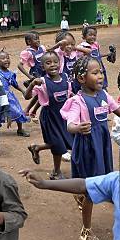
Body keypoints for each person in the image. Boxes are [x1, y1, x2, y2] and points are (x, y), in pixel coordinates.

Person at [60, 56, 120, 240]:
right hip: (88, 148)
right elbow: (70, 125)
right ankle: (86, 231)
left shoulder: (104, 95)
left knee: (104, 180)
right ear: (81, 78)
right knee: (91, 188)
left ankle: (81, 193)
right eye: (95, 73)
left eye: (101, 72)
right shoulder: (77, 101)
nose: (100, 76)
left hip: (102, 145)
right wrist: (78, 127)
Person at [25, 50, 73, 179]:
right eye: (48, 63)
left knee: (65, 142)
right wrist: (32, 84)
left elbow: (69, 95)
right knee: (58, 145)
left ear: (60, 63)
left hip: (63, 116)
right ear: (42, 67)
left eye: (55, 62)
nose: (53, 65)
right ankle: (56, 172)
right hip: (50, 118)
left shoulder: (65, 78)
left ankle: (36, 147)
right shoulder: (42, 82)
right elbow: (27, 96)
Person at [0, 50, 30, 137]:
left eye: (7, 58)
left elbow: (15, 84)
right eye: (3, 58)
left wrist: (23, 90)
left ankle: (20, 129)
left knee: (18, 111)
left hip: (8, 96)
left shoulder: (11, 74)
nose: (6, 60)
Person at [78, 25, 115, 90]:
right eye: (90, 35)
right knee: (93, 81)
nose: (92, 37)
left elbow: (97, 55)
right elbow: (80, 58)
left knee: (102, 79)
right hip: (90, 68)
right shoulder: (83, 46)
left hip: (99, 65)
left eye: (94, 35)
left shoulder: (96, 44)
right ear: (84, 36)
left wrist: (108, 54)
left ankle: (103, 90)